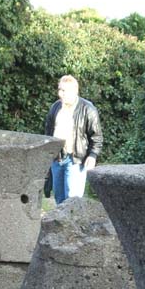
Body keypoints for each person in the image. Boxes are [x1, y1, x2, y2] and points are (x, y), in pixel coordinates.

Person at [43, 75, 103, 204]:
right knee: (59, 199)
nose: (61, 94)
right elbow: (48, 133)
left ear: (75, 91)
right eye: (60, 90)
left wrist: (92, 156)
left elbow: (97, 137)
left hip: (76, 160)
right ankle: (59, 225)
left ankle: (74, 224)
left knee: (72, 201)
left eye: (65, 91)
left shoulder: (88, 109)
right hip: (57, 158)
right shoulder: (55, 107)